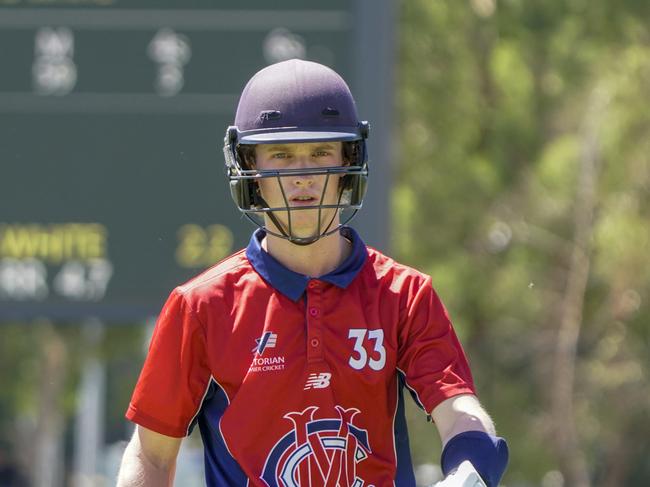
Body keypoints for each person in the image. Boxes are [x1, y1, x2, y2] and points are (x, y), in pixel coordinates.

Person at [117, 59, 508, 487]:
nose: (303, 177)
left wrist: (468, 472)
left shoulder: (405, 295)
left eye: (321, 153)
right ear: (250, 169)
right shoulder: (201, 306)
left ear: (348, 164)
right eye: (281, 156)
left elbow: (459, 412)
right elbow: (152, 456)